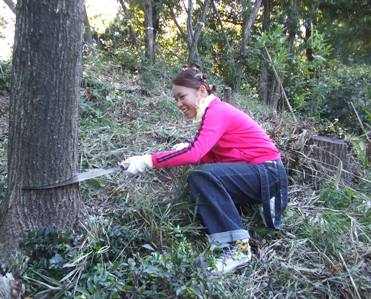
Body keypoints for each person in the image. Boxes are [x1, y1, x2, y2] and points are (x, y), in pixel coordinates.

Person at [120, 67, 288, 274]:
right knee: (204, 173)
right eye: (176, 99)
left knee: (200, 176)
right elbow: (213, 156)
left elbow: (195, 154)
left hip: (267, 172)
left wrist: (148, 161)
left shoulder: (217, 111)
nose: (179, 104)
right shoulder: (212, 112)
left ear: (201, 91)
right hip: (263, 173)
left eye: (182, 97)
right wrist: (189, 152)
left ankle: (238, 249)